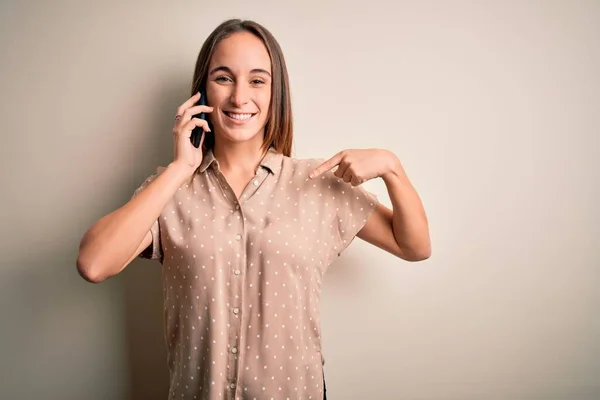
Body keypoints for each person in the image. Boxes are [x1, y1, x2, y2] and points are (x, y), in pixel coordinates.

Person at [76, 18, 430, 400]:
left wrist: (392, 167)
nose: (239, 97)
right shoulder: (172, 192)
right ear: (202, 91)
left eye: (257, 80)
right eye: (224, 78)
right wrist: (180, 169)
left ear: (276, 93)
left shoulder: (318, 183)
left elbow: (414, 246)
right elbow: (94, 263)